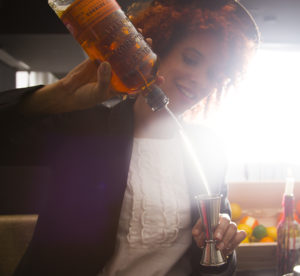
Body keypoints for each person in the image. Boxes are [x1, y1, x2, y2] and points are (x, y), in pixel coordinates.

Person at [0, 0, 259, 275]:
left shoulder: (209, 150)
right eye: (191, 59)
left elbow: (214, 266)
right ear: (157, 49)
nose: (199, 80)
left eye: (214, 75)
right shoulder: (86, 127)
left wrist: (222, 249)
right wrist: (59, 95)